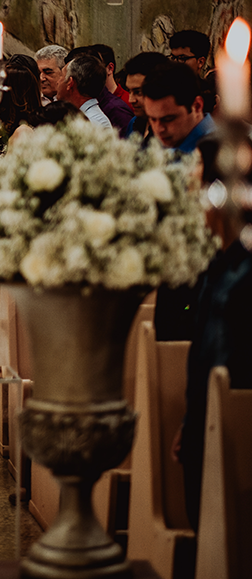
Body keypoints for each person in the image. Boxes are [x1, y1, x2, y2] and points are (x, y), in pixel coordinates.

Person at [172, 136, 252, 529]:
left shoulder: (241, 277)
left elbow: (226, 363)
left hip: (230, 440)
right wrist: (190, 421)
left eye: (196, 185)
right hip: (205, 426)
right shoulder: (216, 263)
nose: (191, 195)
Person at [142, 61, 214, 153]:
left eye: (168, 119)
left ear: (197, 106)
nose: (159, 129)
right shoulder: (169, 143)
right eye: (152, 119)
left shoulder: (219, 154)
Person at [55, 53, 113, 129]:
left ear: (70, 82)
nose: (57, 82)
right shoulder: (79, 116)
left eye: (61, 76)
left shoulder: (93, 122)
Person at [121, 51, 167, 141]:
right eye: (129, 91)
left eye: (138, 92)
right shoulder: (133, 123)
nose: (131, 100)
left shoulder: (171, 133)